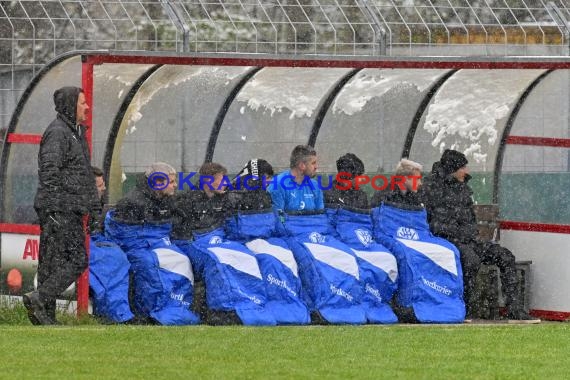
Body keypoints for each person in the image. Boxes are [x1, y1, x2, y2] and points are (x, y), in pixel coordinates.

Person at [421, 149, 539, 322]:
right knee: (470, 261)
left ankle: (514, 310)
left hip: (469, 241)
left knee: (505, 256)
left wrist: (470, 234)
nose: (467, 171)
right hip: (446, 242)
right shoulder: (432, 187)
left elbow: (468, 220)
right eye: (463, 167)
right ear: (454, 169)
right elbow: (434, 224)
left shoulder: (462, 187)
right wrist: (460, 233)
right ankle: (464, 310)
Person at [25, 86, 100, 325]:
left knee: (51, 262)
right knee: (77, 259)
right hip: (60, 208)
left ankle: (44, 316)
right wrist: (55, 209)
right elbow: (49, 171)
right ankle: (40, 298)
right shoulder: (58, 133)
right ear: (70, 105)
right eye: (82, 102)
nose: (87, 107)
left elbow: (82, 175)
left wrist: (92, 206)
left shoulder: (74, 132)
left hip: (67, 207)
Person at [171, 162, 231, 241]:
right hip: (199, 243)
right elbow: (182, 235)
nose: (226, 183)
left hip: (220, 239)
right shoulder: (187, 201)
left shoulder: (223, 198)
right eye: (222, 180)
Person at [113, 162, 177, 224]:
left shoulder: (167, 198)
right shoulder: (131, 203)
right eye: (171, 182)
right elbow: (127, 232)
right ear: (158, 183)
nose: (175, 185)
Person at [269, 145, 323, 213]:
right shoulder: (278, 184)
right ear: (301, 165)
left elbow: (321, 216)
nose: (316, 167)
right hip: (289, 223)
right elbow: (278, 219)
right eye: (313, 163)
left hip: (312, 223)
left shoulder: (315, 185)